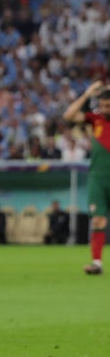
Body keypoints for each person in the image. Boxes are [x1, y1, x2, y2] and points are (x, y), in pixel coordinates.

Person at [63, 80, 110, 274]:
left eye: (108, 105)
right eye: (102, 105)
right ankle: (97, 263)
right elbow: (69, 115)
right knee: (98, 220)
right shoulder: (95, 119)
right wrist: (86, 94)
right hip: (98, 177)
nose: (104, 109)